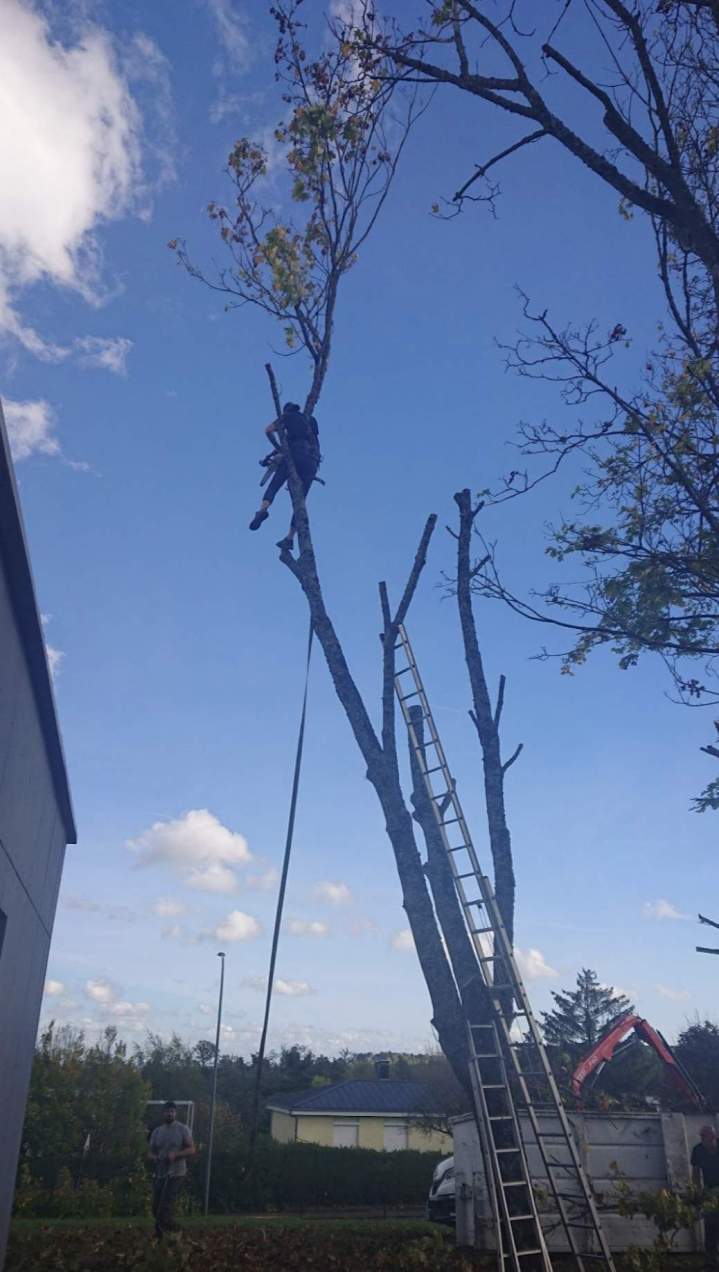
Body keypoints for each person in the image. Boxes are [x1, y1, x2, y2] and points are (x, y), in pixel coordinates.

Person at [249, 402, 320, 549]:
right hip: (312, 462)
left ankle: (263, 510)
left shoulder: (287, 417)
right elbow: (310, 440)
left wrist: (278, 449)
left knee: (274, 485)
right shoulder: (310, 421)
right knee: (300, 501)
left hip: (295, 456)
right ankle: (290, 537)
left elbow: (268, 430)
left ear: (286, 410)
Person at [147, 1101, 195, 1240]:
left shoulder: (182, 1129)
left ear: (175, 1113)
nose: (170, 1114)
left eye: (172, 1111)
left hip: (177, 1173)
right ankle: (164, 1235)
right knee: (155, 1208)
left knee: (164, 1207)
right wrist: (155, 1158)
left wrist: (177, 1154)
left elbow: (192, 1149)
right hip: (161, 1173)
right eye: (167, 1111)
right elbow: (149, 1153)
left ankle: (177, 1231)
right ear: (163, 1113)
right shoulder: (157, 1131)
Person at [692, 1124, 719, 1269]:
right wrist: (697, 1191)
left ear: (714, 1137)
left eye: (706, 1138)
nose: (704, 1141)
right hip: (709, 1191)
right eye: (702, 1138)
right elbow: (696, 1173)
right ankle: (711, 1263)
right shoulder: (698, 1150)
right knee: (710, 1227)